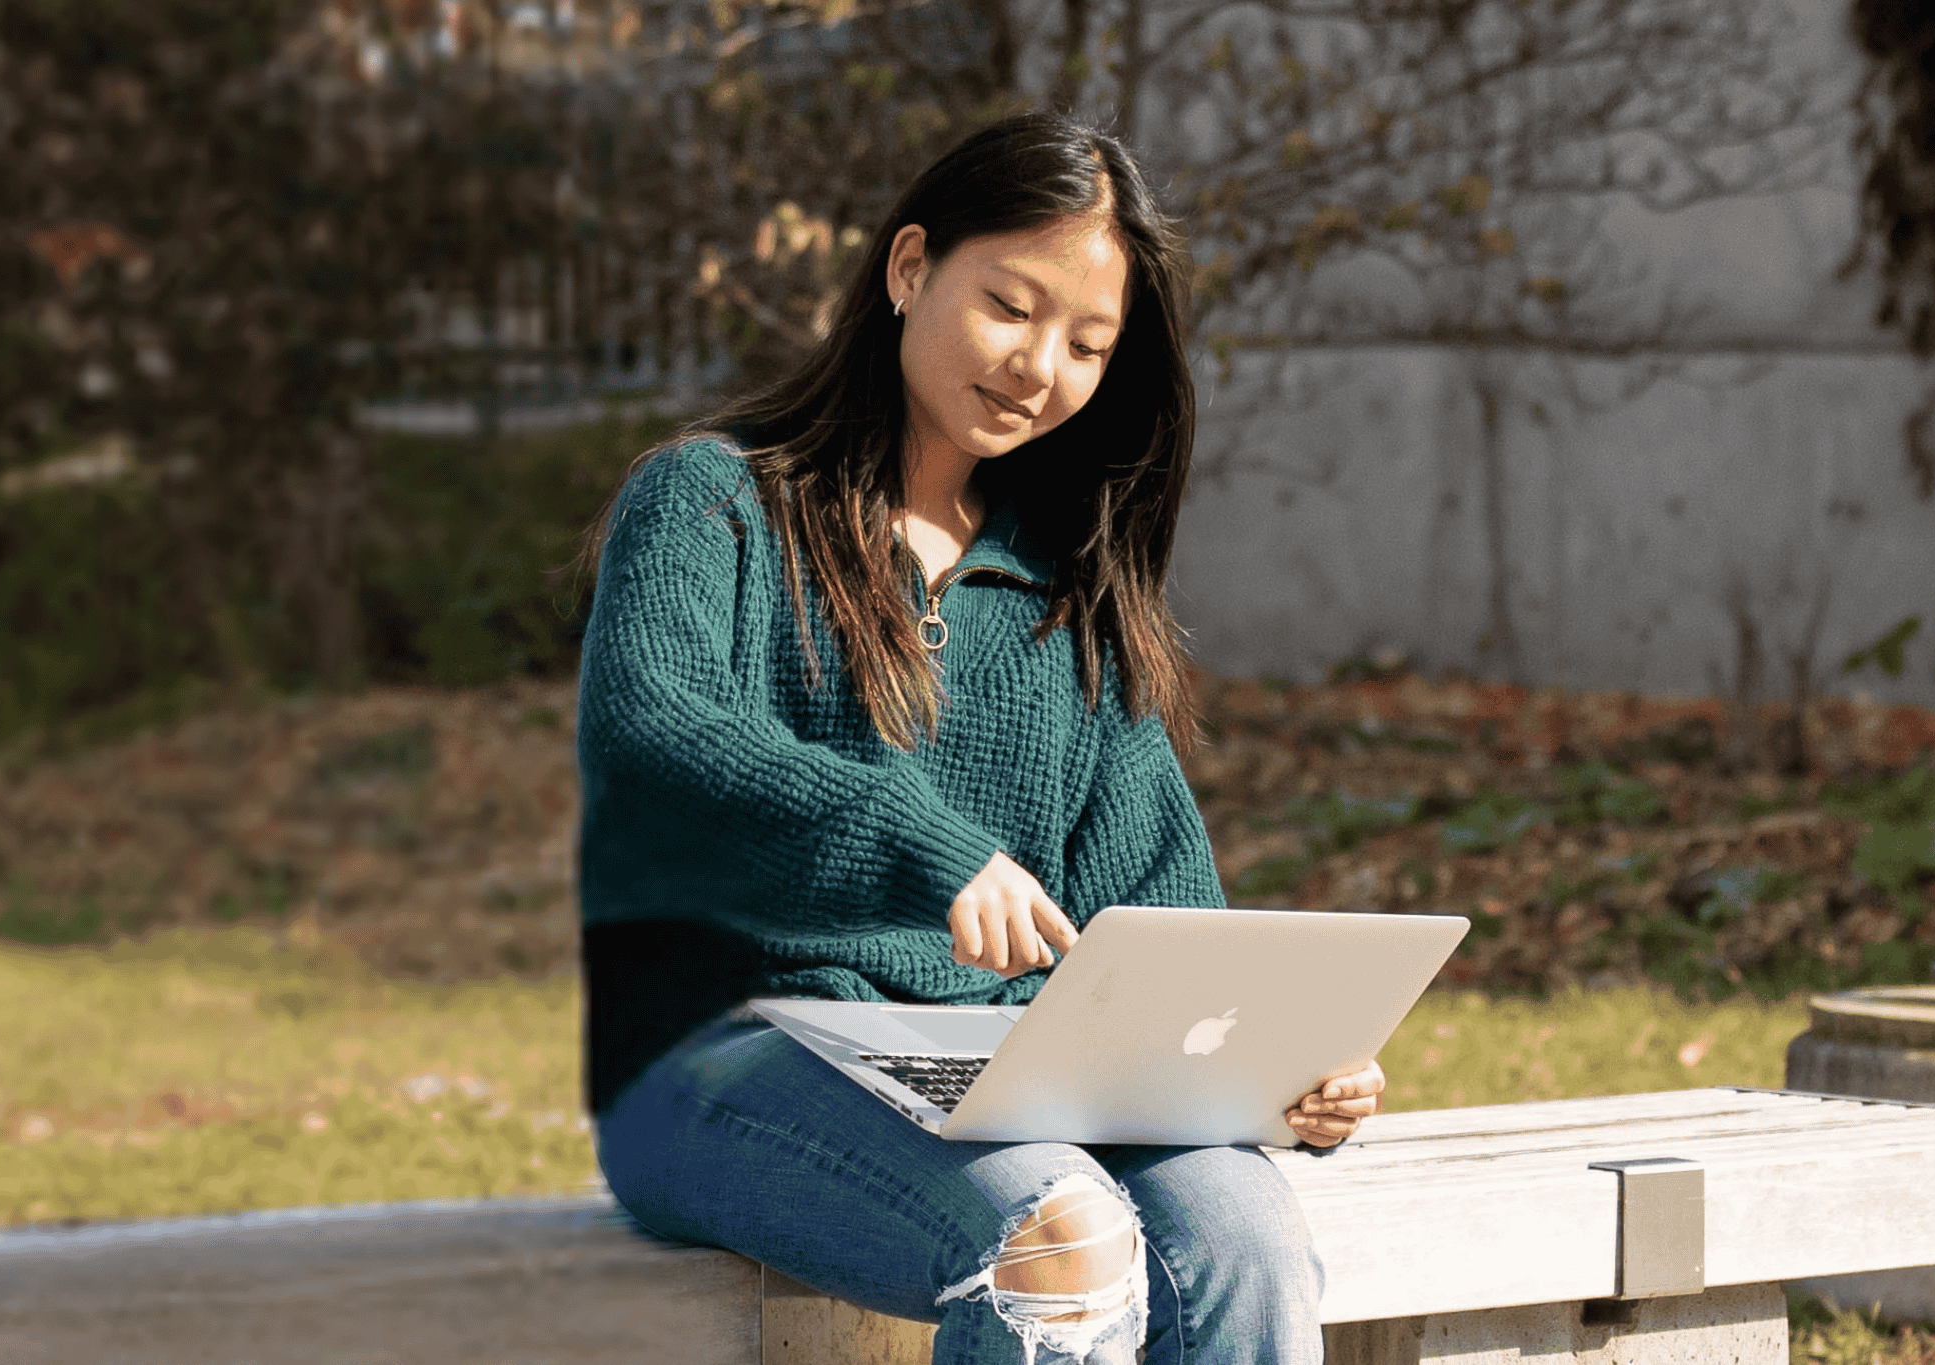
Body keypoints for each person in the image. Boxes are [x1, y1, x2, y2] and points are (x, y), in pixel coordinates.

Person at [577, 111, 1386, 1365]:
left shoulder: (1066, 595)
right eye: (1009, 306)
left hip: (1006, 1065)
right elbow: (656, 731)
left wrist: (1277, 1071)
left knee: (1246, 1240)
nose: (1036, 366)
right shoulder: (713, 503)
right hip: (722, 1049)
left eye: (1085, 343)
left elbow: (1162, 920)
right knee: (1058, 1238)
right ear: (909, 270)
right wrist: (926, 845)